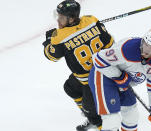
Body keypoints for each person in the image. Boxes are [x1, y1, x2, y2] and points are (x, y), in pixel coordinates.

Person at [42, 0, 114, 130]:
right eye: (58, 16)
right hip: (98, 71)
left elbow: (51, 56)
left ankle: (97, 122)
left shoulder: (59, 37)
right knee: (70, 87)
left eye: (62, 18)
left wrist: (48, 40)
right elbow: (110, 43)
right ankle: (91, 115)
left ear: (72, 19)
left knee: (91, 111)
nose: (58, 21)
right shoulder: (91, 20)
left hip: (92, 80)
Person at [88, 29, 151, 131]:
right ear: (142, 41)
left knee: (132, 116)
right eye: (146, 45)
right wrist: (119, 76)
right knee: (112, 119)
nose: (147, 50)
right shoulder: (127, 48)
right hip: (103, 75)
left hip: (123, 83)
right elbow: (98, 59)